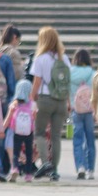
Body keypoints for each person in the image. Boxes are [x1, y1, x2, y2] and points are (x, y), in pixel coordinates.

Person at [28, 26, 70, 180]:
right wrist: (68, 101)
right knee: (56, 136)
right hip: (60, 100)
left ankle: (46, 163)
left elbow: (37, 82)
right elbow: (67, 82)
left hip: (45, 98)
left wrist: (32, 98)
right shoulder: (64, 58)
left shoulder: (40, 58)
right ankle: (55, 170)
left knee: (39, 132)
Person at [71, 49, 97, 179]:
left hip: (76, 109)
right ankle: (90, 170)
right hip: (90, 110)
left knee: (77, 139)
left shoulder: (71, 72)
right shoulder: (93, 73)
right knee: (90, 140)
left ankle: (80, 166)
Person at [3, 79, 36, 180]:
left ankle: (15, 168)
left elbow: (8, 119)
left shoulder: (14, 104)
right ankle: (28, 174)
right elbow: (34, 118)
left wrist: (1, 129)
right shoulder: (32, 104)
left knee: (16, 152)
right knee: (29, 153)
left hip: (16, 131)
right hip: (28, 132)